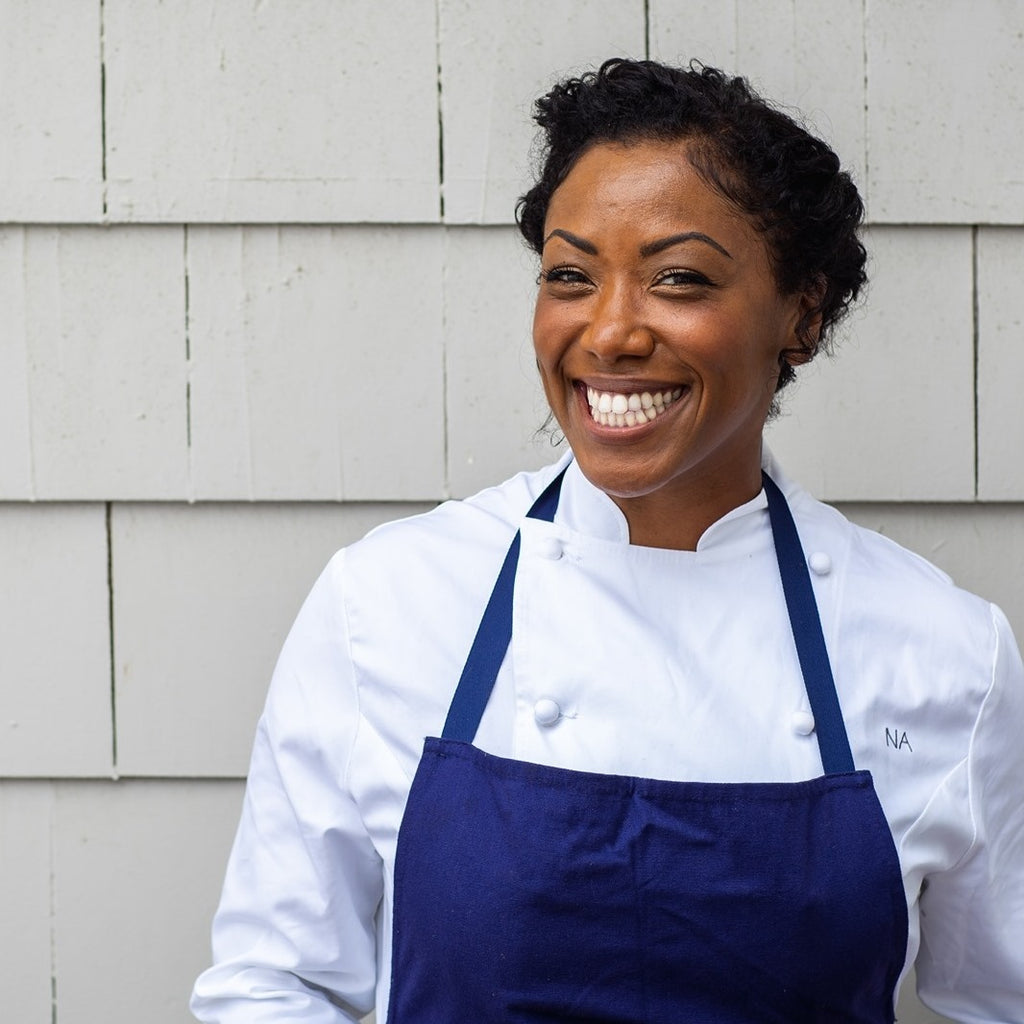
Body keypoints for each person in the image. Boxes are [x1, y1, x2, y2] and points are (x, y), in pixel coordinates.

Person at [191, 59, 1024, 1023]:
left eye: (678, 278)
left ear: (802, 313)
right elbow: (273, 985)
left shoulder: (945, 652)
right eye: (570, 276)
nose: (610, 331)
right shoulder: (389, 603)